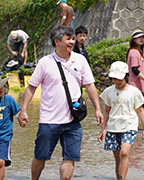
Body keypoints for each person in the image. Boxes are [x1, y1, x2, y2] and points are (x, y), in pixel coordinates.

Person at [18, 25, 104, 180]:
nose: (72, 41)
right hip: (49, 121)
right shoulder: (45, 62)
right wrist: (23, 110)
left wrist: (97, 108)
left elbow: (90, 85)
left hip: (73, 120)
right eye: (68, 38)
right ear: (57, 41)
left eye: (73, 38)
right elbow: (31, 87)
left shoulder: (81, 60)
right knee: (40, 158)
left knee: (70, 158)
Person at [98, 61, 144, 180]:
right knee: (118, 159)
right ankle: (119, 177)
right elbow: (106, 111)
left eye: (119, 79)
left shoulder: (134, 91)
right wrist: (103, 129)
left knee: (124, 152)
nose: (117, 81)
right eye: (114, 79)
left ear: (126, 76)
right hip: (113, 127)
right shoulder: (109, 92)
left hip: (129, 126)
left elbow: (140, 110)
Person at [126, 30, 144, 121]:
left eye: (142, 37)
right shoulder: (134, 52)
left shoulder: (138, 51)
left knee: (137, 107)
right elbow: (134, 69)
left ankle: (137, 126)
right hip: (135, 84)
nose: (141, 39)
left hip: (138, 84)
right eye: (138, 37)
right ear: (133, 40)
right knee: (138, 107)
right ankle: (136, 126)